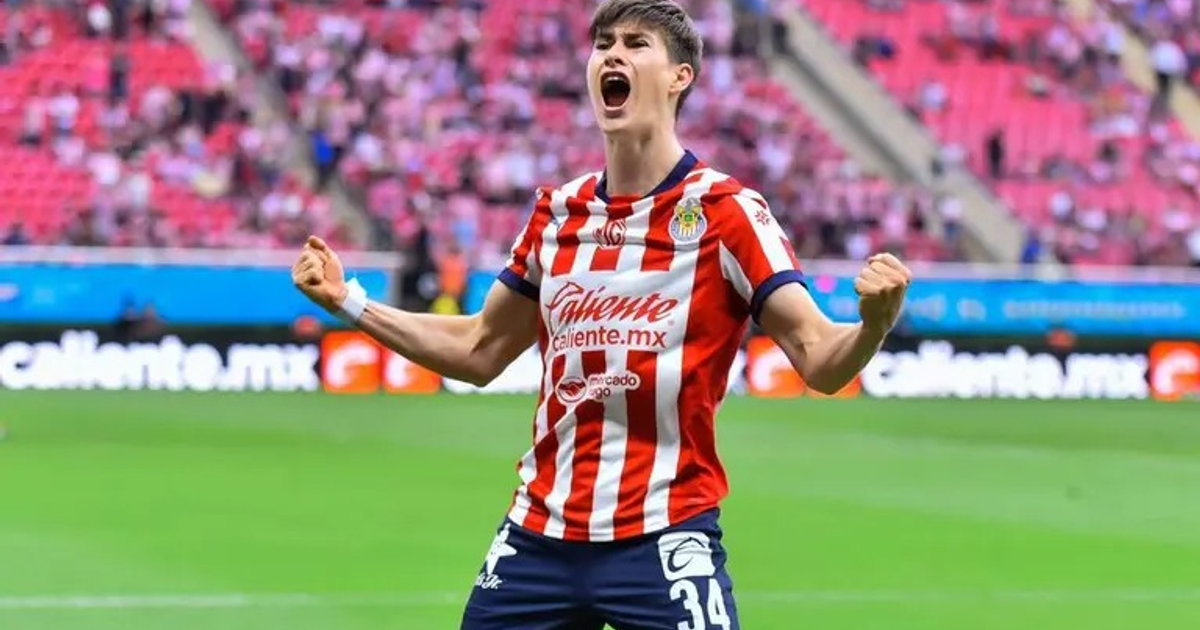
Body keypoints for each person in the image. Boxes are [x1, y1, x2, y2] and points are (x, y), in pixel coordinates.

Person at [291, 1, 912, 627]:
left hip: (664, 534)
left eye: (637, 44)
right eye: (603, 43)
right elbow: (478, 351)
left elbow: (820, 361)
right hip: (538, 538)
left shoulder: (727, 213)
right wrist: (350, 300)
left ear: (680, 77)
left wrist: (873, 325)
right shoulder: (558, 216)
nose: (612, 54)